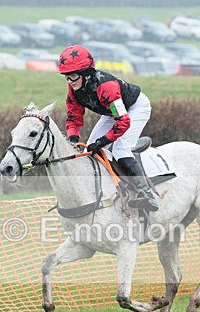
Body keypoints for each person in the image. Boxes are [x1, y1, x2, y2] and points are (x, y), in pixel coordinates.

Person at [57, 44, 159, 212]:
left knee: (120, 149)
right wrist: (73, 137)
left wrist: (103, 140)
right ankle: (109, 186)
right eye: (67, 77)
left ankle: (146, 193)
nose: (70, 81)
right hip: (112, 112)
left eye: (73, 76)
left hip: (135, 108)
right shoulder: (74, 88)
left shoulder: (106, 86)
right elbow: (74, 115)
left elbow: (123, 121)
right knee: (91, 150)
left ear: (86, 74)